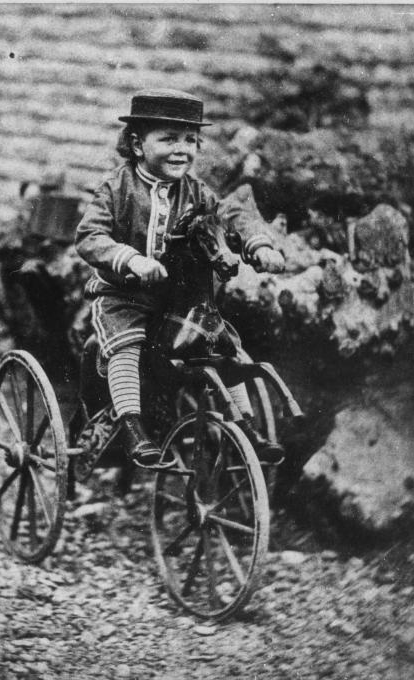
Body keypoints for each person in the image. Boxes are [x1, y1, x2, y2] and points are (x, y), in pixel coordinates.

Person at [75, 89, 285, 469]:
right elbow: (90, 237)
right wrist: (131, 260)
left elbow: (232, 217)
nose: (181, 150)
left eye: (190, 140)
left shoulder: (196, 192)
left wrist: (259, 246)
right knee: (125, 344)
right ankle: (133, 428)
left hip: (175, 301)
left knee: (222, 346)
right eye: (168, 139)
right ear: (138, 145)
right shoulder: (117, 189)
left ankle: (246, 426)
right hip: (124, 295)